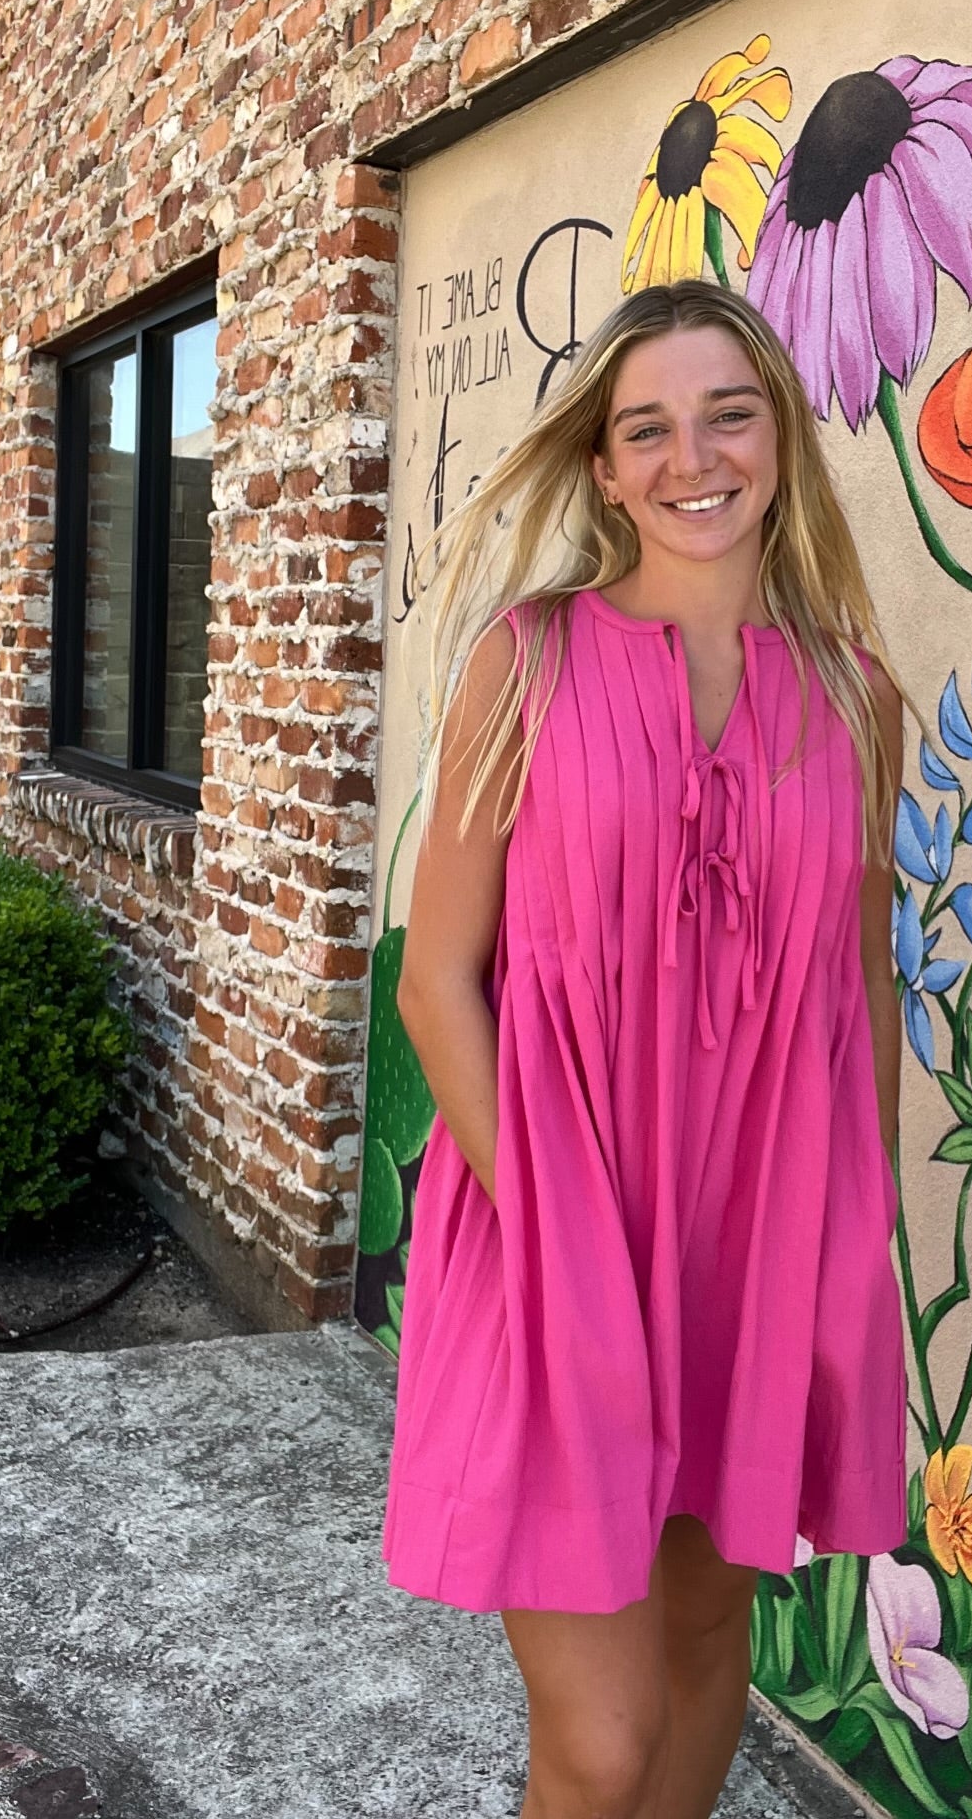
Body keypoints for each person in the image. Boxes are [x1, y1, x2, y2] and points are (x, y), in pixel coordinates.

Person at [382, 281, 909, 1819]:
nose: (696, 457)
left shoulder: (855, 697)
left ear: (780, 439)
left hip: (752, 1251)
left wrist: (855, 1228)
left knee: (702, 1653)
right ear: (605, 469)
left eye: (728, 415)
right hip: (555, 1241)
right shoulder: (527, 660)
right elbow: (437, 984)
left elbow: (857, 983)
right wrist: (557, 1235)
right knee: (602, 1738)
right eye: (650, 428)